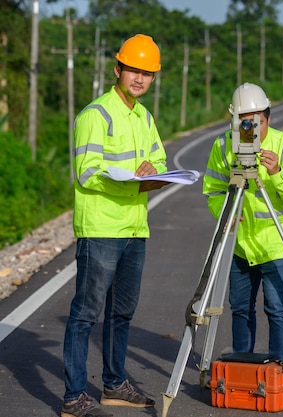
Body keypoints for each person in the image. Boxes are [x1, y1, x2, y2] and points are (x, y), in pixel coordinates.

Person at [61, 34, 169, 417]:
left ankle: (113, 384)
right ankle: (74, 397)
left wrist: (155, 172)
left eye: (148, 73)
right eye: (134, 70)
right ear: (118, 69)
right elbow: (86, 173)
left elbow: (158, 160)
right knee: (85, 313)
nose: (140, 78)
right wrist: (129, 176)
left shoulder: (144, 117)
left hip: (134, 228)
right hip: (102, 228)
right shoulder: (97, 115)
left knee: (122, 313)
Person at [203, 83, 283, 361]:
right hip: (239, 243)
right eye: (243, 122)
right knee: (239, 308)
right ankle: (242, 364)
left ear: (268, 118)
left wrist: (276, 173)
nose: (250, 128)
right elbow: (213, 190)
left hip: (276, 243)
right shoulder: (223, 146)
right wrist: (224, 214)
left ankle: (278, 367)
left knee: (276, 308)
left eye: (257, 122)